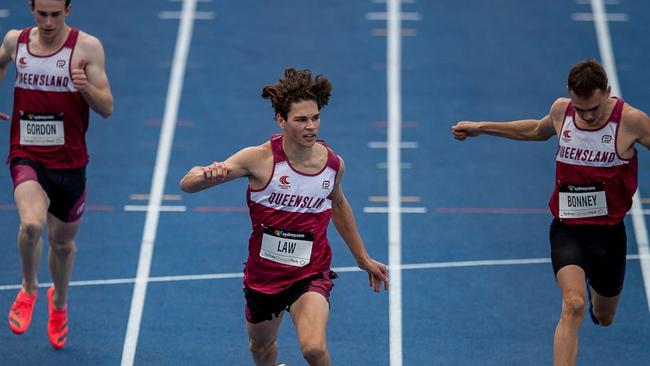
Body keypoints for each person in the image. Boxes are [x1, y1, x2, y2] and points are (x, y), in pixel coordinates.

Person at [180, 67, 389, 366]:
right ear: (281, 120)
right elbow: (186, 184)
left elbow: (339, 205)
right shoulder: (259, 159)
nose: (311, 127)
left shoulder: (333, 165)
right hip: (264, 276)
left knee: (314, 349)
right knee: (260, 348)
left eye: (315, 117)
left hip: (310, 272)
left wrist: (362, 258)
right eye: (301, 119)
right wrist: (205, 175)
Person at [452, 59, 650, 365]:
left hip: (610, 234)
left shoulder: (632, 121)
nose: (586, 116)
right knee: (573, 305)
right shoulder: (562, 111)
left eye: (594, 109)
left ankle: (601, 304)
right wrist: (481, 127)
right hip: (567, 229)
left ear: (608, 92)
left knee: (604, 314)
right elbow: (535, 129)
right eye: (579, 108)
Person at [0, 0, 113, 349]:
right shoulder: (14, 42)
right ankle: (30, 287)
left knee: (62, 244)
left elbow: (107, 106)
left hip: (70, 163)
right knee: (31, 225)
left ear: (68, 10)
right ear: (31, 9)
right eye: (41, 14)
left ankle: (59, 305)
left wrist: (85, 88)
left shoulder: (86, 47)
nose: (49, 22)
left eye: (56, 14)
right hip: (27, 154)